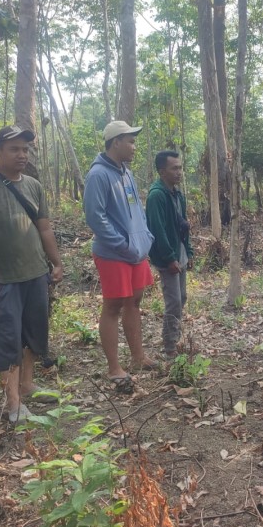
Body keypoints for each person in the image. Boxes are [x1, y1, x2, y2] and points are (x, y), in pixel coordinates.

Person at [0, 126, 63, 424]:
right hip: (1, 279)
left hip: (35, 275)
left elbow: (44, 228)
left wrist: (55, 263)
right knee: (6, 337)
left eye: (25, 149)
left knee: (32, 334)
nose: (21, 154)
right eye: (14, 149)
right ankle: (13, 403)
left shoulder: (33, 186)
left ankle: (27, 384)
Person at [83, 120, 157, 393]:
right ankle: (114, 367)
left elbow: (137, 208)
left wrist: (144, 236)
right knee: (113, 307)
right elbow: (95, 216)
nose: (134, 147)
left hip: (137, 251)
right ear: (116, 142)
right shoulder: (98, 175)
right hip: (114, 253)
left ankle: (138, 357)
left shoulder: (126, 172)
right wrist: (121, 243)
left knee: (135, 302)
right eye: (130, 141)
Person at [146, 150, 194, 358]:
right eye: (174, 168)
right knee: (173, 301)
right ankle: (169, 346)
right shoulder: (157, 196)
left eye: (180, 167)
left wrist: (187, 252)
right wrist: (169, 258)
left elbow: (180, 226)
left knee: (181, 297)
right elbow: (158, 230)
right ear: (162, 171)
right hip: (168, 258)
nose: (179, 172)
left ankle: (174, 337)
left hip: (179, 252)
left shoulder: (177, 194)